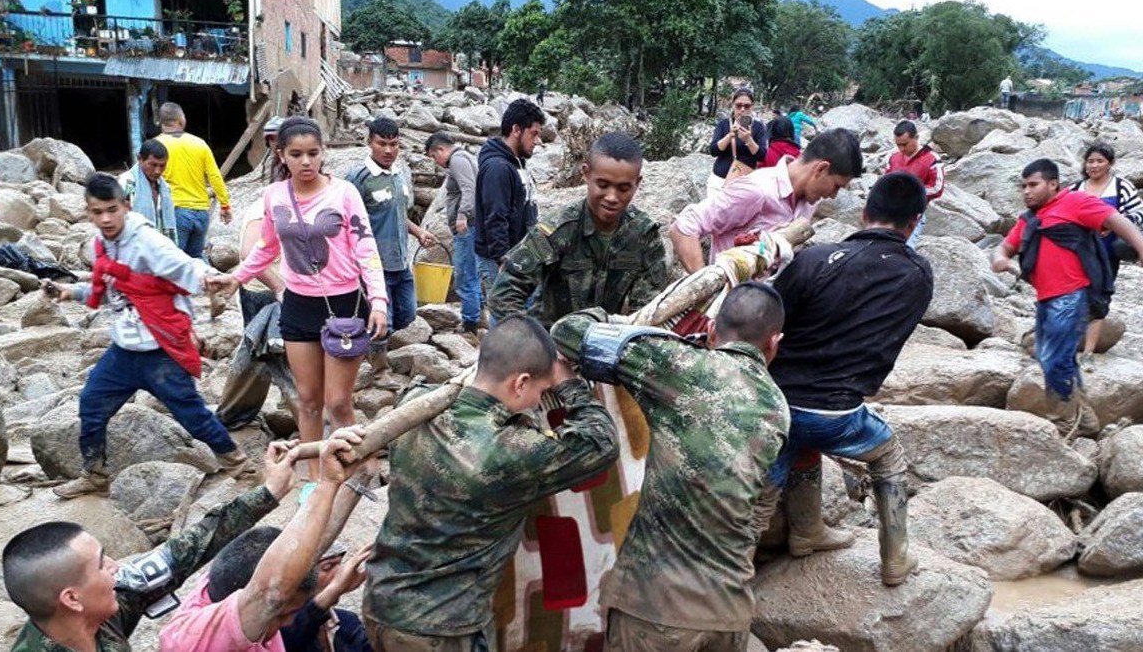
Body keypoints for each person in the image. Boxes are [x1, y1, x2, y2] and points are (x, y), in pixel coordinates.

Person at [550, 283, 789, 652]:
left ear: (710, 332)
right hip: (730, 613)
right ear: (774, 342)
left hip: (656, 610)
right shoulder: (778, 407)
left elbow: (566, 332)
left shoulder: (682, 366)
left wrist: (608, 318)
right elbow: (761, 501)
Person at [361, 315, 618, 651]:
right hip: (440, 631)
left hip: (380, 604)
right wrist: (567, 383)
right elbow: (602, 442)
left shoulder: (415, 405)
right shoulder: (508, 452)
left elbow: (426, 391)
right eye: (540, 391)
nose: (540, 402)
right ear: (520, 383)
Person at [766, 172, 934, 586]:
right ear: (914, 223)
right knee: (888, 455)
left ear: (864, 213)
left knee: (769, 484)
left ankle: (793, 534)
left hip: (776, 407)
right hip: (838, 413)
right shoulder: (918, 274)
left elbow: (770, 320)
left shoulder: (814, 259)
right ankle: (894, 557)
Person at [44, 174, 253, 499]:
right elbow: (109, 291)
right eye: (97, 212)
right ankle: (95, 475)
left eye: (112, 210)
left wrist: (210, 277)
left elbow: (182, 264)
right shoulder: (103, 245)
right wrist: (70, 292)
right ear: (88, 213)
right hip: (124, 352)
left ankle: (242, 468)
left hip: (161, 351)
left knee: (193, 416)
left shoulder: (147, 241)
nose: (106, 219)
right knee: (91, 405)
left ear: (126, 206)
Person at [206, 117, 388, 476]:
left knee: (338, 402)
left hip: (344, 305)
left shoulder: (344, 193)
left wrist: (379, 301)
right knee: (307, 401)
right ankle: (315, 479)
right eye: (297, 154)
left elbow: (366, 248)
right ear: (281, 155)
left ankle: (357, 471)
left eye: (313, 153)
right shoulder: (274, 196)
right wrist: (235, 278)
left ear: (323, 154)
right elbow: (265, 247)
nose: (306, 162)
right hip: (297, 306)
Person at [4, 440, 297, 652]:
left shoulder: (102, 609)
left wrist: (269, 492)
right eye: (101, 564)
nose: (115, 567)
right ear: (72, 599)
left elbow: (183, 552)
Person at [159, 432, 381, 652]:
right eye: (282, 614)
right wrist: (327, 483)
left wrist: (356, 478)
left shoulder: (226, 584)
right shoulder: (193, 642)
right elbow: (272, 592)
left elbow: (301, 552)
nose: (286, 623)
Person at [992, 159, 1143, 437]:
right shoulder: (1029, 219)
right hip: (1046, 298)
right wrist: (999, 258)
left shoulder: (1076, 202)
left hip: (1072, 295)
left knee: (1053, 358)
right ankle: (1083, 421)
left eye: (1033, 185)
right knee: (1059, 359)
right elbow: (1006, 246)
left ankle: (1062, 420)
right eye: (1023, 186)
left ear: (1053, 184)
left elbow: (1115, 219)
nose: (1026, 191)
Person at [488, 133, 668, 328]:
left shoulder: (643, 235)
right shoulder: (559, 229)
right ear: (586, 174)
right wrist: (534, 342)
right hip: (550, 342)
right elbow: (504, 292)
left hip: (607, 342)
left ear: (637, 183)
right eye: (603, 185)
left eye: (623, 188)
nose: (612, 197)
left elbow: (649, 310)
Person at [671, 128, 864, 273]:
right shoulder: (757, 190)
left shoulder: (809, 204)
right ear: (821, 169)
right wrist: (705, 290)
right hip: (728, 315)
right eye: (836, 186)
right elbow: (684, 226)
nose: (833, 195)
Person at [214, 134, 299, 433]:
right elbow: (250, 252)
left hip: (289, 294)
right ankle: (313, 425)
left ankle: (237, 414)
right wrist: (279, 288)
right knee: (277, 361)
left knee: (266, 359)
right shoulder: (264, 206)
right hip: (265, 295)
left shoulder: (300, 206)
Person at [348, 118, 437, 352]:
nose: (388, 150)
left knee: (408, 316)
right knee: (381, 322)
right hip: (375, 267)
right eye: (382, 144)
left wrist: (418, 232)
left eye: (394, 144)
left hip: (401, 263)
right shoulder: (358, 179)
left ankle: (397, 360)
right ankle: (378, 370)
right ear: (369, 142)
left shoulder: (398, 175)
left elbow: (396, 213)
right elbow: (344, 222)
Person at [1068, 142, 1143, 370]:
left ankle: (1088, 352)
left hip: (1107, 255)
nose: (1094, 166)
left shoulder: (1121, 187)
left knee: (1098, 299)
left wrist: (1116, 224)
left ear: (1110, 164)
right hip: (1076, 254)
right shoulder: (1076, 189)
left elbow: (1141, 214)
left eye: (1100, 161)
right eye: (1090, 161)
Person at [474, 98, 544, 289]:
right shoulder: (498, 168)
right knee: (507, 318)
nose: (537, 141)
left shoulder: (516, 163)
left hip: (518, 257)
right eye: (534, 134)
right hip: (499, 262)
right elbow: (495, 216)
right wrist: (503, 260)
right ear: (516, 130)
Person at [155, 101, 232, 259]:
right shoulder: (199, 144)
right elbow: (215, 176)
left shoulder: (156, 146)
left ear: (160, 122)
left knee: (175, 260)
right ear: (181, 121)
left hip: (175, 212)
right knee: (196, 257)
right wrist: (225, 205)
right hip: (201, 213)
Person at [425, 131, 483, 333]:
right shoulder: (465, 157)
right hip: (473, 225)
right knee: (472, 273)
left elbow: (469, 188)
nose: (436, 162)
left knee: (465, 274)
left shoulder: (457, 160)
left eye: (434, 157)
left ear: (440, 149)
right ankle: (476, 315)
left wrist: (462, 215)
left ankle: (470, 323)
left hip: (467, 228)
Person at [280, 542, 375, 652]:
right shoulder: (279, 630)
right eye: (327, 567)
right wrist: (335, 589)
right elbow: (293, 636)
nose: (341, 575)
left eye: (340, 565)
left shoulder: (348, 622)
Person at [885, 120, 945, 248]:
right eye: (898, 145)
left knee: (906, 251)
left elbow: (937, 188)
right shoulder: (894, 157)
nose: (901, 149)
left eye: (905, 144)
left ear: (916, 138)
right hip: (891, 215)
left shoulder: (932, 158)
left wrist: (912, 192)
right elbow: (886, 181)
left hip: (914, 216)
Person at [707, 88, 767, 198]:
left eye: (747, 106)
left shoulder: (758, 127)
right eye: (738, 105)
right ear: (733, 105)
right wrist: (730, 135)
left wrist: (748, 140)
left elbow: (762, 156)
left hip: (744, 184)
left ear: (752, 106)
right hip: (719, 181)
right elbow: (713, 151)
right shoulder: (723, 124)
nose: (742, 109)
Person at [118, 138, 178, 243]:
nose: (157, 171)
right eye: (153, 165)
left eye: (162, 165)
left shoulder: (165, 188)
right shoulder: (126, 184)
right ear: (139, 159)